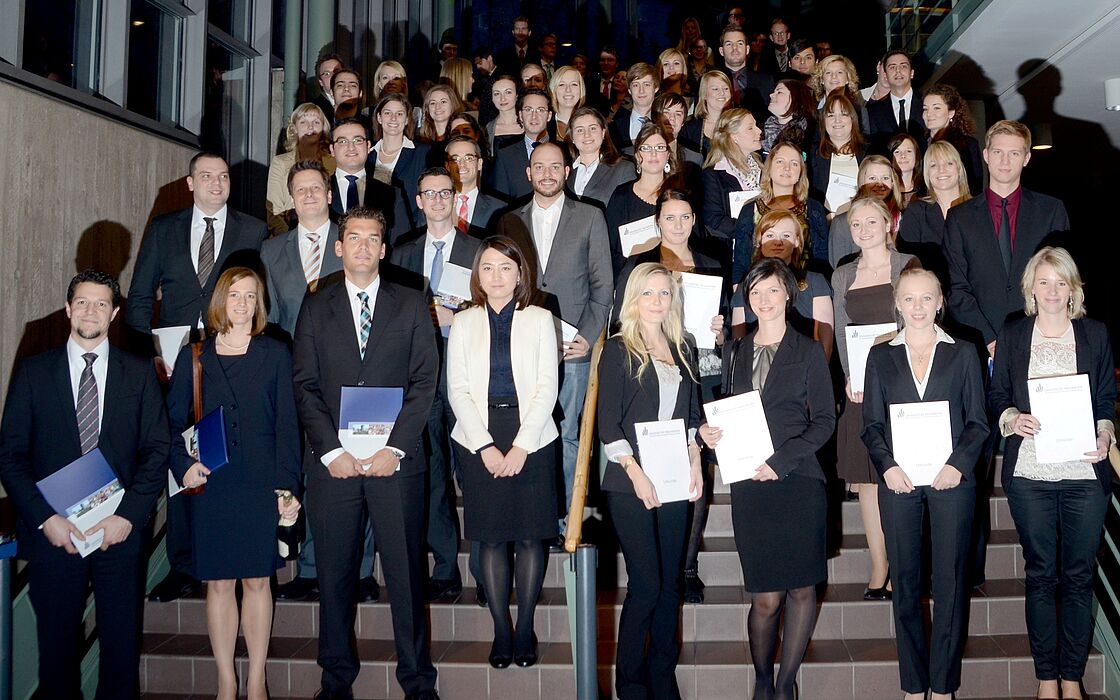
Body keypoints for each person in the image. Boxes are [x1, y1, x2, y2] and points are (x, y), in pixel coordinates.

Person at [292, 206, 440, 700]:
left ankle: (418, 682)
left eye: (371, 238)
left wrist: (394, 447)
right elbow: (305, 384)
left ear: (383, 247)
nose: (361, 247)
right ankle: (335, 681)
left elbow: (425, 382)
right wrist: (330, 450)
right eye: (351, 238)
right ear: (338, 246)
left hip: (394, 463)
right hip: (334, 466)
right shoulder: (316, 305)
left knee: (404, 576)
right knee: (333, 577)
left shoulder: (412, 303)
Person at [0, 270, 169, 699]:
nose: (89, 312)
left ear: (114, 312)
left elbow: (156, 449)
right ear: (67, 307)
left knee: (120, 651)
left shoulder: (138, 373)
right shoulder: (34, 371)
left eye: (99, 304)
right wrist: (45, 521)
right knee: (55, 656)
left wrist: (128, 516)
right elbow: (10, 456)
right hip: (53, 537)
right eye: (81, 302)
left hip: (118, 534)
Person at [125, 152, 266, 604]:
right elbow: (141, 295)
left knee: (230, 456)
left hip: (233, 361)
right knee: (181, 456)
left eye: (223, 177)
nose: (216, 183)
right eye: (206, 176)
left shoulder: (253, 229)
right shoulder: (166, 229)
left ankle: (237, 555)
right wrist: (147, 358)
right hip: (175, 366)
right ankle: (184, 563)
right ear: (190, 183)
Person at [700, 258, 835, 700]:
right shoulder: (735, 351)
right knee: (765, 598)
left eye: (772, 291)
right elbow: (723, 407)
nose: (763, 300)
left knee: (800, 589)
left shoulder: (809, 349)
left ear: (788, 295)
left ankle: (784, 684)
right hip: (749, 484)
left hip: (797, 480)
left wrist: (780, 461)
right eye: (755, 293)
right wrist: (710, 432)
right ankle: (761, 678)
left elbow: (825, 422)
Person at [166, 267, 301, 700]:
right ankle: (226, 680)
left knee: (259, 580)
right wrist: (182, 465)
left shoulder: (277, 352)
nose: (242, 304)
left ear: (259, 302)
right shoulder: (195, 356)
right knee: (220, 582)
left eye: (251, 295)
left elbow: (287, 425)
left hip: (261, 482)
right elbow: (166, 425)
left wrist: (287, 486)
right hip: (213, 482)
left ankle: (257, 677)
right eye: (235, 295)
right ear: (220, 300)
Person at [990, 247, 1115, 700]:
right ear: (1031, 287)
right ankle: (1046, 678)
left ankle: (1071, 677)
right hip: (1031, 474)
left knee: (1079, 576)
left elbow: (1105, 397)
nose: (1052, 291)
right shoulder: (1014, 332)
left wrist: (1104, 435)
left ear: (1073, 288)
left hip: (1085, 474)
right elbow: (997, 393)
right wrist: (1011, 419)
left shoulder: (1095, 334)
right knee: (1042, 573)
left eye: (1060, 282)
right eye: (1044, 281)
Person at [861, 268, 989, 700]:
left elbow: (978, 422)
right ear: (897, 303)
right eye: (909, 299)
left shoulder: (965, 352)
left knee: (951, 585)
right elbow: (872, 426)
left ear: (940, 302)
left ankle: (944, 685)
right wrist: (887, 467)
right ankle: (914, 687)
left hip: (952, 481)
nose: (917, 307)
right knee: (906, 586)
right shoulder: (879, 356)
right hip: (898, 483)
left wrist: (958, 464)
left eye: (926, 298)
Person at [446, 235, 560, 668]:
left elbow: (548, 386)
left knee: (531, 535)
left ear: (520, 274)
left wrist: (521, 446)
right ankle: (501, 628)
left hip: (532, 435)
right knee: (491, 537)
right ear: (478, 274)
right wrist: (486, 448)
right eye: (488, 267)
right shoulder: (463, 321)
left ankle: (526, 626)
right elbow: (456, 389)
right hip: (480, 435)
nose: (496, 276)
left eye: (506, 268)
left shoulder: (539, 317)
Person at [611, 191, 727, 604]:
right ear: (658, 222)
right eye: (669, 218)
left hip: (699, 367)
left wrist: (719, 330)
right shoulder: (639, 268)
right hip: (650, 369)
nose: (678, 225)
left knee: (698, 462)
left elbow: (725, 325)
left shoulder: (713, 264)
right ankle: (664, 564)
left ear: (694, 219)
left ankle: (687, 565)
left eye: (684, 217)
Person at [496, 141, 613, 540]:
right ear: (528, 173)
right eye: (538, 167)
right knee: (527, 428)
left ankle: (567, 519)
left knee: (567, 435)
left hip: (573, 350)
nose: (547, 173)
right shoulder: (508, 219)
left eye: (555, 167)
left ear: (567, 172)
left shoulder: (591, 217)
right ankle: (533, 515)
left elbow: (603, 287)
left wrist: (588, 336)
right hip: (523, 349)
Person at [598, 262, 703, 699]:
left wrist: (696, 459)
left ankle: (663, 675)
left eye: (664, 293)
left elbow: (693, 417)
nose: (657, 301)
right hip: (631, 482)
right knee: (647, 583)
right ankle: (631, 682)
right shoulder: (619, 349)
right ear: (633, 299)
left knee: (672, 582)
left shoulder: (685, 346)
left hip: (677, 476)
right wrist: (637, 474)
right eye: (648, 293)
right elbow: (608, 425)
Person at [389, 167, 483, 602]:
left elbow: (495, 306)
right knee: (433, 475)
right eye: (430, 194)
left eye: (446, 192)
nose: (439, 200)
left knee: (477, 474)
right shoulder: (403, 254)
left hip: (469, 375)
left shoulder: (478, 249)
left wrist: (458, 316)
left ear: (456, 197)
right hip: (421, 378)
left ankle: (487, 571)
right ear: (419, 201)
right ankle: (445, 567)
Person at [832, 195, 920, 603]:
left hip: (901, 380)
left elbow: (919, 321)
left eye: (872, 221)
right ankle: (878, 564)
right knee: (868, 482)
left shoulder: (908, 266)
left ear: (889, 223)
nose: (864, 229)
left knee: (901, 475)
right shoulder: (843, 273)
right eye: (856, 224)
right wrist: (851, 373)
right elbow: (841, 328)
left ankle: (906, 564)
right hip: (861, 386)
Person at [944, 119, 1070, 358]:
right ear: (986, 155)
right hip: (979, 345)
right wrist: (989, 339)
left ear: (1026, 158)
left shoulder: (1051, 211)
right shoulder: (959, 218)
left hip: (1041, 340)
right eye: (998, 152)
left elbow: (1063, 280)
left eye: (1014, 153)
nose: (1005, 161)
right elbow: (956, 288)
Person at [731, 209, 834, 360]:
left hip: (804, 369)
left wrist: (814, 372)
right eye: (770, 235)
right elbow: (738, 343)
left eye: (786, 236)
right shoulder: (745, 286)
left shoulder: (815, 282)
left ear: (797, 241)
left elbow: (825, 342)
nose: (777, 242)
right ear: (759, 240)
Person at [262, 160, 345, 340]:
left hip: (343, 359)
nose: (309, 194)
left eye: (316, 187)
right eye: (300, 189)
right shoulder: (271, 251)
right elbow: (270, 317)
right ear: (292, 199)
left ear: (329, 195)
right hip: (290, 357)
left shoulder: (351, 243)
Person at [731, 140, 829, 281]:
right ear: (769, 168)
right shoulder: (750, 210)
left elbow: (821, 258)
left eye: (794, 163)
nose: (787, 168)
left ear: (801, 172)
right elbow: (740, 261)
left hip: (803, 288)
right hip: (760, 289)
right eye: (780, 162)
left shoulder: (814, 209)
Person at [606, 123, 681, 275]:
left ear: (667, 155)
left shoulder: (680, 197)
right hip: (630, 280)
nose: (653, 154)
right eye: (646, 148)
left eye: (660, 147)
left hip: (673, 279)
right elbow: (609, 247)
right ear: (637, 155)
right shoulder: (621, 196)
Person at [896, 140, 970, 289]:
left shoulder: (978, 210)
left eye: (948, 163)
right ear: (927, 173)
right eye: (933, 165)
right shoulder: (916, 211)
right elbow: (909, 261)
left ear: (959, 168)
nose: (941, 170)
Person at [329, 118, 413, 245]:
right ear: (331, 149)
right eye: (342, 141)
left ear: (368, 146)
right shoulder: (318, 192)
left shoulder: (392, 195)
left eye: (358, 140)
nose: (351, 147)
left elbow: (402, 247)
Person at [265, 102, 336, 236]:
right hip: (287, 236)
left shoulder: (334, 162)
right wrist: (290, 240)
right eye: (304, 122)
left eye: (316, 122)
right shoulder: (280, 163)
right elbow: (274, 211)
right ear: (294, 128)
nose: (310, 127)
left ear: (324, 128)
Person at [828, 155, 904, 269]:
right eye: (872, 178)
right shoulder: (842, 223)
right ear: (861, 182)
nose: (880, 184)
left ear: (893, 182)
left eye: (886, 178)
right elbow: (838, 271)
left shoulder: (903, 218)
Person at [701, 107, 763, 243]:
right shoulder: (713, 175)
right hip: (732, 252)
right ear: (734, 137)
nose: (759, 131)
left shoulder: (764, 169)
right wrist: (755, 231)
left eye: (756, 126)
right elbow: (714, 220)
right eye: (750, 128)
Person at [369, 92, 433, 223]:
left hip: (409, 232)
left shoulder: (423, 153)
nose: (393, 118)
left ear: (407, 119)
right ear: (379, 118)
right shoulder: (367, 154)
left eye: (399, 114)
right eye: (387, 113)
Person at [808, 91, 867, 216]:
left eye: (844, 114)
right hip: (823, 222)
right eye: (830, 115)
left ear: (853, 119)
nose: (837, 120)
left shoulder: (868, 153)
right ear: (823, 121)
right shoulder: (813, 154)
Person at [565, 106, 635, 209]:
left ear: (603, 133)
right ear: (572, 137)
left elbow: (628, 211)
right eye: (580, 130)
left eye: (592, 128)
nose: (587, 135)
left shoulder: (623, 169)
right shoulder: (565, 172)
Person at [490, 88, 553, 201]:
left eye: (540, 110)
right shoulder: (505, 156)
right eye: (528, 110)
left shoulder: (563, 151)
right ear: (520, 115)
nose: (534, 116)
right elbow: (500, 200)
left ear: (549, 115)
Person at [922, 84, 984, 195]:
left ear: (951, 112)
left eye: (936, 108)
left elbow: (976, 186)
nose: (929, 114)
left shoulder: (968, 144)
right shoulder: (919, 144)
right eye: (925, 109)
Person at [866, 50, 924, 151]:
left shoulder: (926, 103)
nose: (898, 71)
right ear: (885, 75)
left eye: (903, 66)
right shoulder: (874, 111)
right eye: (892, 67)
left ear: (912, 73)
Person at [445, 135, 504, 232]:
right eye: (455, 159)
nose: (462, 164)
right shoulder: (435, 205)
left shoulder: (499, 209)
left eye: (468, 158)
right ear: (447, 166)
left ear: (479, 164)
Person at [717, 24, 773, 116]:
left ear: (747, 49)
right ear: (721, 51)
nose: (734, 48)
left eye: (739, 43)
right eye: (729, 44)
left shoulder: (766, 81)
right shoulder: (709, 81)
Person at [808, 54, 869, 133]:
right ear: (821, 79)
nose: (834, 76)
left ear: (848, 78)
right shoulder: (811, 110)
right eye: (828, 73)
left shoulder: (860, 111)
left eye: (840, 72)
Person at [608, 63, 660, 153]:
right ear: (629, 90)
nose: (641, 90)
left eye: (646, 84)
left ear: (656, 88)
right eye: (636, 85)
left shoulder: (666, 125)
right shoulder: (614, 128)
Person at [679, 70, 733, 158]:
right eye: (715, 89)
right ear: (704, 94)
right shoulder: (689, 129)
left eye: (726, 88)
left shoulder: (739, 124)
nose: (722, 93)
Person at [761, 78, 816, 155]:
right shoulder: (759, 129)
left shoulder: (810, 135)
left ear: (796, 98)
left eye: (779, 92)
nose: (771, 95)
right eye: (774, 92)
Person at [486, 75, 524, 153]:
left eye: (508, 92)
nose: (502, 98)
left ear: (517, 95)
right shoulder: (487, 129)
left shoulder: (530, 123)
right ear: (492, 98)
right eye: (497, 94)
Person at [549, 65, 586, 139]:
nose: (568, 90)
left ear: (581, 89)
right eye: (561, 84)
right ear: (554, 90)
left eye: (574, 84)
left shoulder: (590, 122)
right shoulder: (545, 124)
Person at [889, 132, 924, 206]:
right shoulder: (885, 192)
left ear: (916, 156)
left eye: (908, 151)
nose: (903, 155)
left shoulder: (925, 190)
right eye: (897, 152)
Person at [311, 53, 344, 125]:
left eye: (337, 72)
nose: (333, 76)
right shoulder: (310, 108)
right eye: (327, 74)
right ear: (320, 82)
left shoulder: (356, 107)